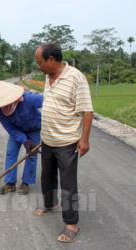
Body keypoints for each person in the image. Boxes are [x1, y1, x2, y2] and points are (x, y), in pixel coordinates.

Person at [34, 43, 94, 243]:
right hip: (47, 140)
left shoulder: (75, 77)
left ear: (51, 60)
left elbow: (87, 110)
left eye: (40, 62)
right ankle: (50, 204)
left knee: (68, 184)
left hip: (67, 142)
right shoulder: (48, 76)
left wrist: (84, 140)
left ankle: (71, 224)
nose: (38, 66)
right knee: (47, 177)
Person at [0, 81, 43, 195]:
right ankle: (10, 183)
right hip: (18, 131)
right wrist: (24, 140)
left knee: (31, 155)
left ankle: (26, 183)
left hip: (34, 128)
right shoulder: (0, 113)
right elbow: (11, 129)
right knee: (11, 153)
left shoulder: (28, 99)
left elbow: (48, 102)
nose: (3, 105)